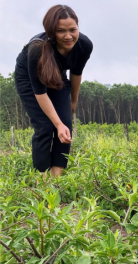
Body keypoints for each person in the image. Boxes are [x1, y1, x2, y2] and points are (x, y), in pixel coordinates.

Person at [15, 5, 93, 176]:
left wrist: (73, 102)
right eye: (60, 31)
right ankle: (42, 180)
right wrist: (56, 124)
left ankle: (56, 178)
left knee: (66, 126)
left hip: (57, 76)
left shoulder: (84, 45)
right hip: (29, 79)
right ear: (51, 31)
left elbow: (76, 73)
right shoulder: (37, 49)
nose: (68, 36)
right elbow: (40, 93)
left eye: (73, 30)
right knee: (45, 126)